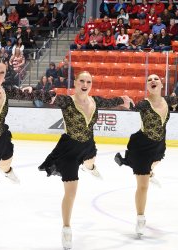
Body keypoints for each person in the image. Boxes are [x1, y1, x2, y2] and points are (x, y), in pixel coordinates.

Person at [0, 4, 52, 249]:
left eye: (2, 71)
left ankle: (8, 170)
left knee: (8, 156)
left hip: (0, 140)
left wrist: (46, 94)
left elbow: (28, 93)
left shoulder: (7, 90)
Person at [38, 71, 132, 249]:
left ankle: (89, 167)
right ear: (75, 82)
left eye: (88, 81)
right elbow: (49, 98)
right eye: (82, 80)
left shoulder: (95, 101)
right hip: (69, 151)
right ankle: (66, 228)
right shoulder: (67, 101)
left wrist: (124, 99)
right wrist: (34, 92)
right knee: (71, 193)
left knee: (90, 162)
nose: (85, 83)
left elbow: (112, 101)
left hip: (88, 145)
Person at [114, 75, 178, 237]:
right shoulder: (144, 103)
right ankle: (140, 217)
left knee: (156, 162)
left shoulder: (168, 101)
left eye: (156, 79)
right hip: (142, 146)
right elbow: (134, 107)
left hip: (159, 145)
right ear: (147, 86)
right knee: (143, 185)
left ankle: (150, 172)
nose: (153, 80)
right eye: (149, 79)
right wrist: (127, 105)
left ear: (161, 84)